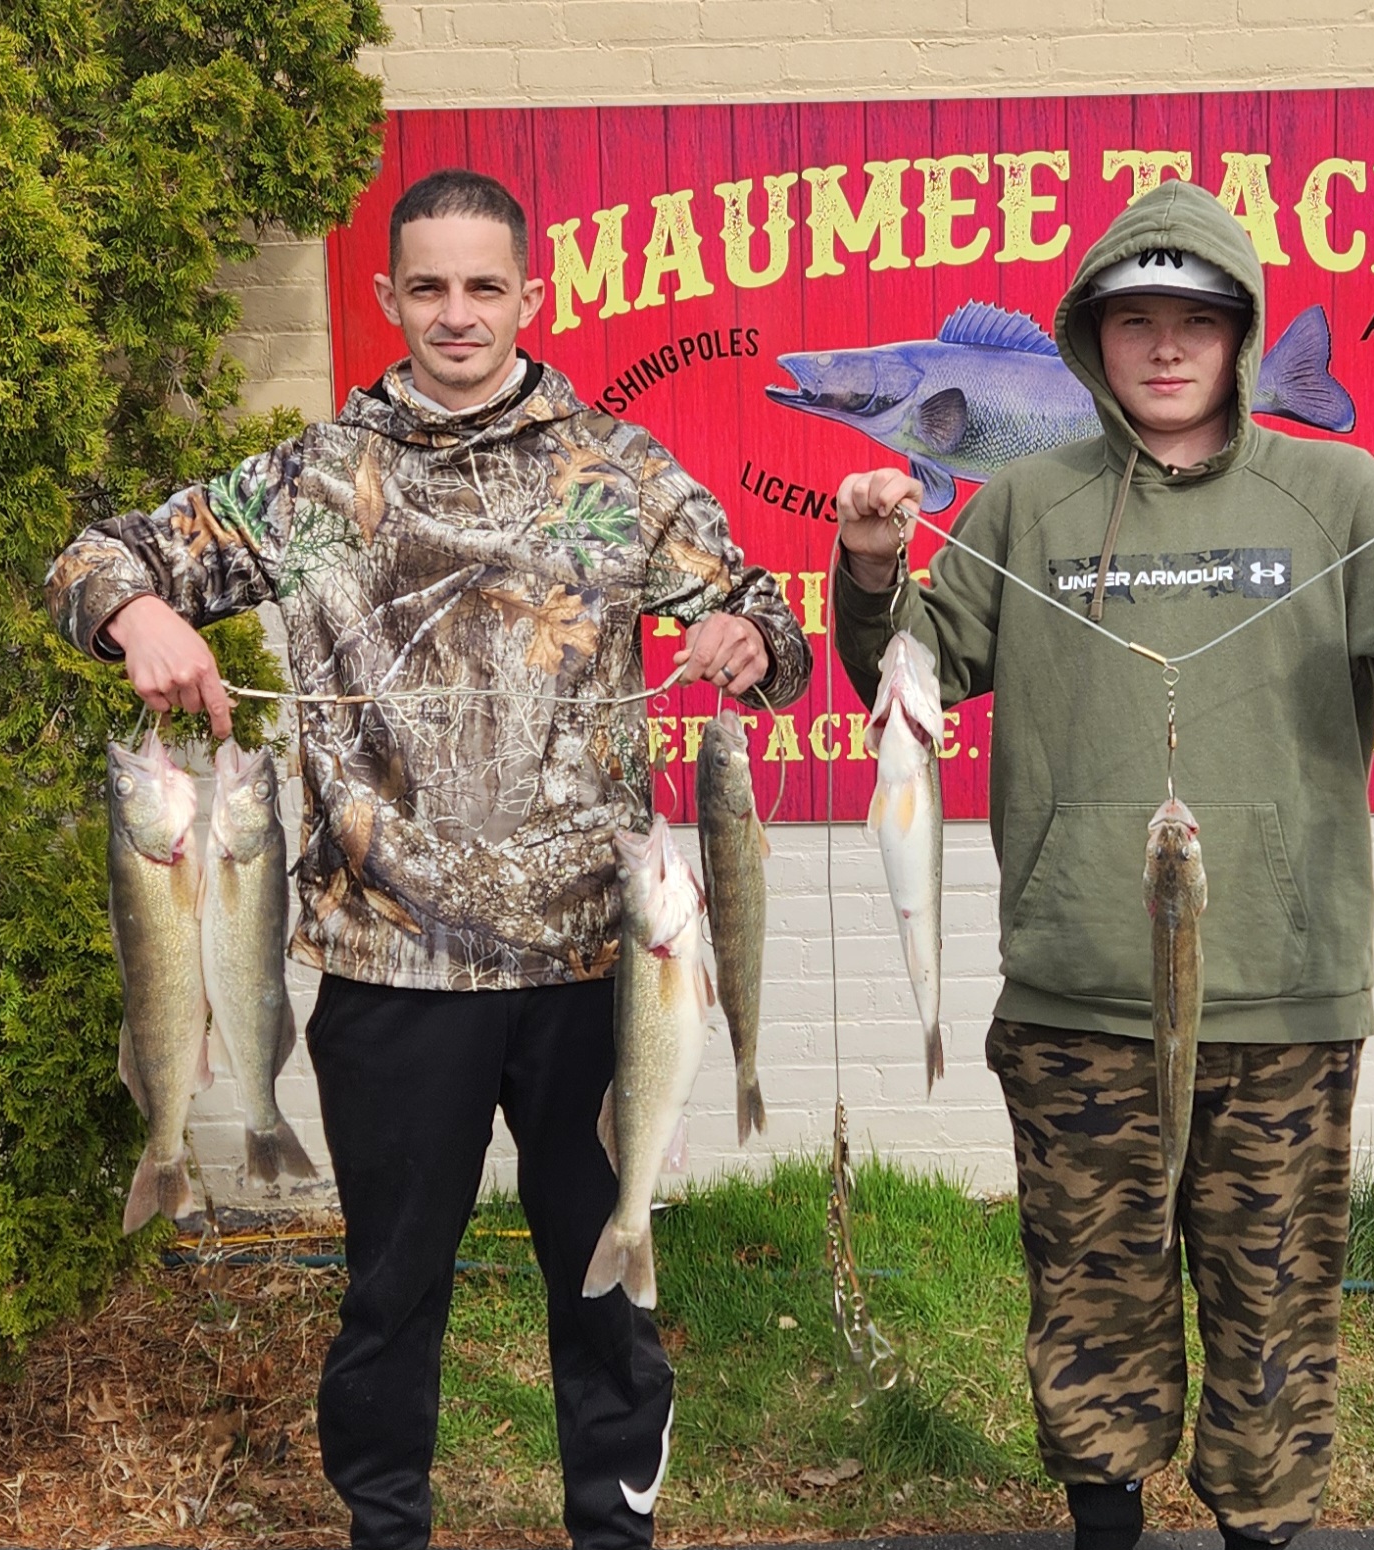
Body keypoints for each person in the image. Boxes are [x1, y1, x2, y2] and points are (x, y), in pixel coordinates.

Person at [46, 168, 812, 1550]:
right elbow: (93, 557)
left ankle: (614, 1524)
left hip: (595, 964)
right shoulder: (312, 481)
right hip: (390, 965)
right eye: (431, 288)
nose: (458, 313)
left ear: (530, 296)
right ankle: (388, 1526)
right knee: (391, 1294)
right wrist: (136, 615)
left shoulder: (617, 471)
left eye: (484, 287)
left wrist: (748, 638)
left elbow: (771, 621)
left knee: (605, 1290)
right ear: (389, 296)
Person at [831, 179, 1374, 1550]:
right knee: (1092, 1306)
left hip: (1282, 1003)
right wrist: (872, 574)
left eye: (1199, 320)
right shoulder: (1023, 502)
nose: (1166, 347)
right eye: (1135, 320)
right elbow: (909, 677)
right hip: (1078, 998)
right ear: (1089, 337)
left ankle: (1260, 1529)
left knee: (1274, 1316)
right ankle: (1104, 1525)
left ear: (1242, 333)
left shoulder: (1339, 493)